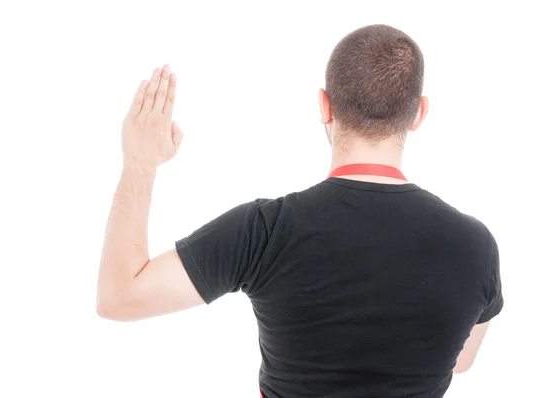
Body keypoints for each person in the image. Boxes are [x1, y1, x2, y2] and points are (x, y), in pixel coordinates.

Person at [96, 24, 503, 398]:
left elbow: (119, 298)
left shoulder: (265, 231)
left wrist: (139, 163)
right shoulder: (476, 246)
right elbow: (462, 360)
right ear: (418, 113)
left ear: (324, 106)